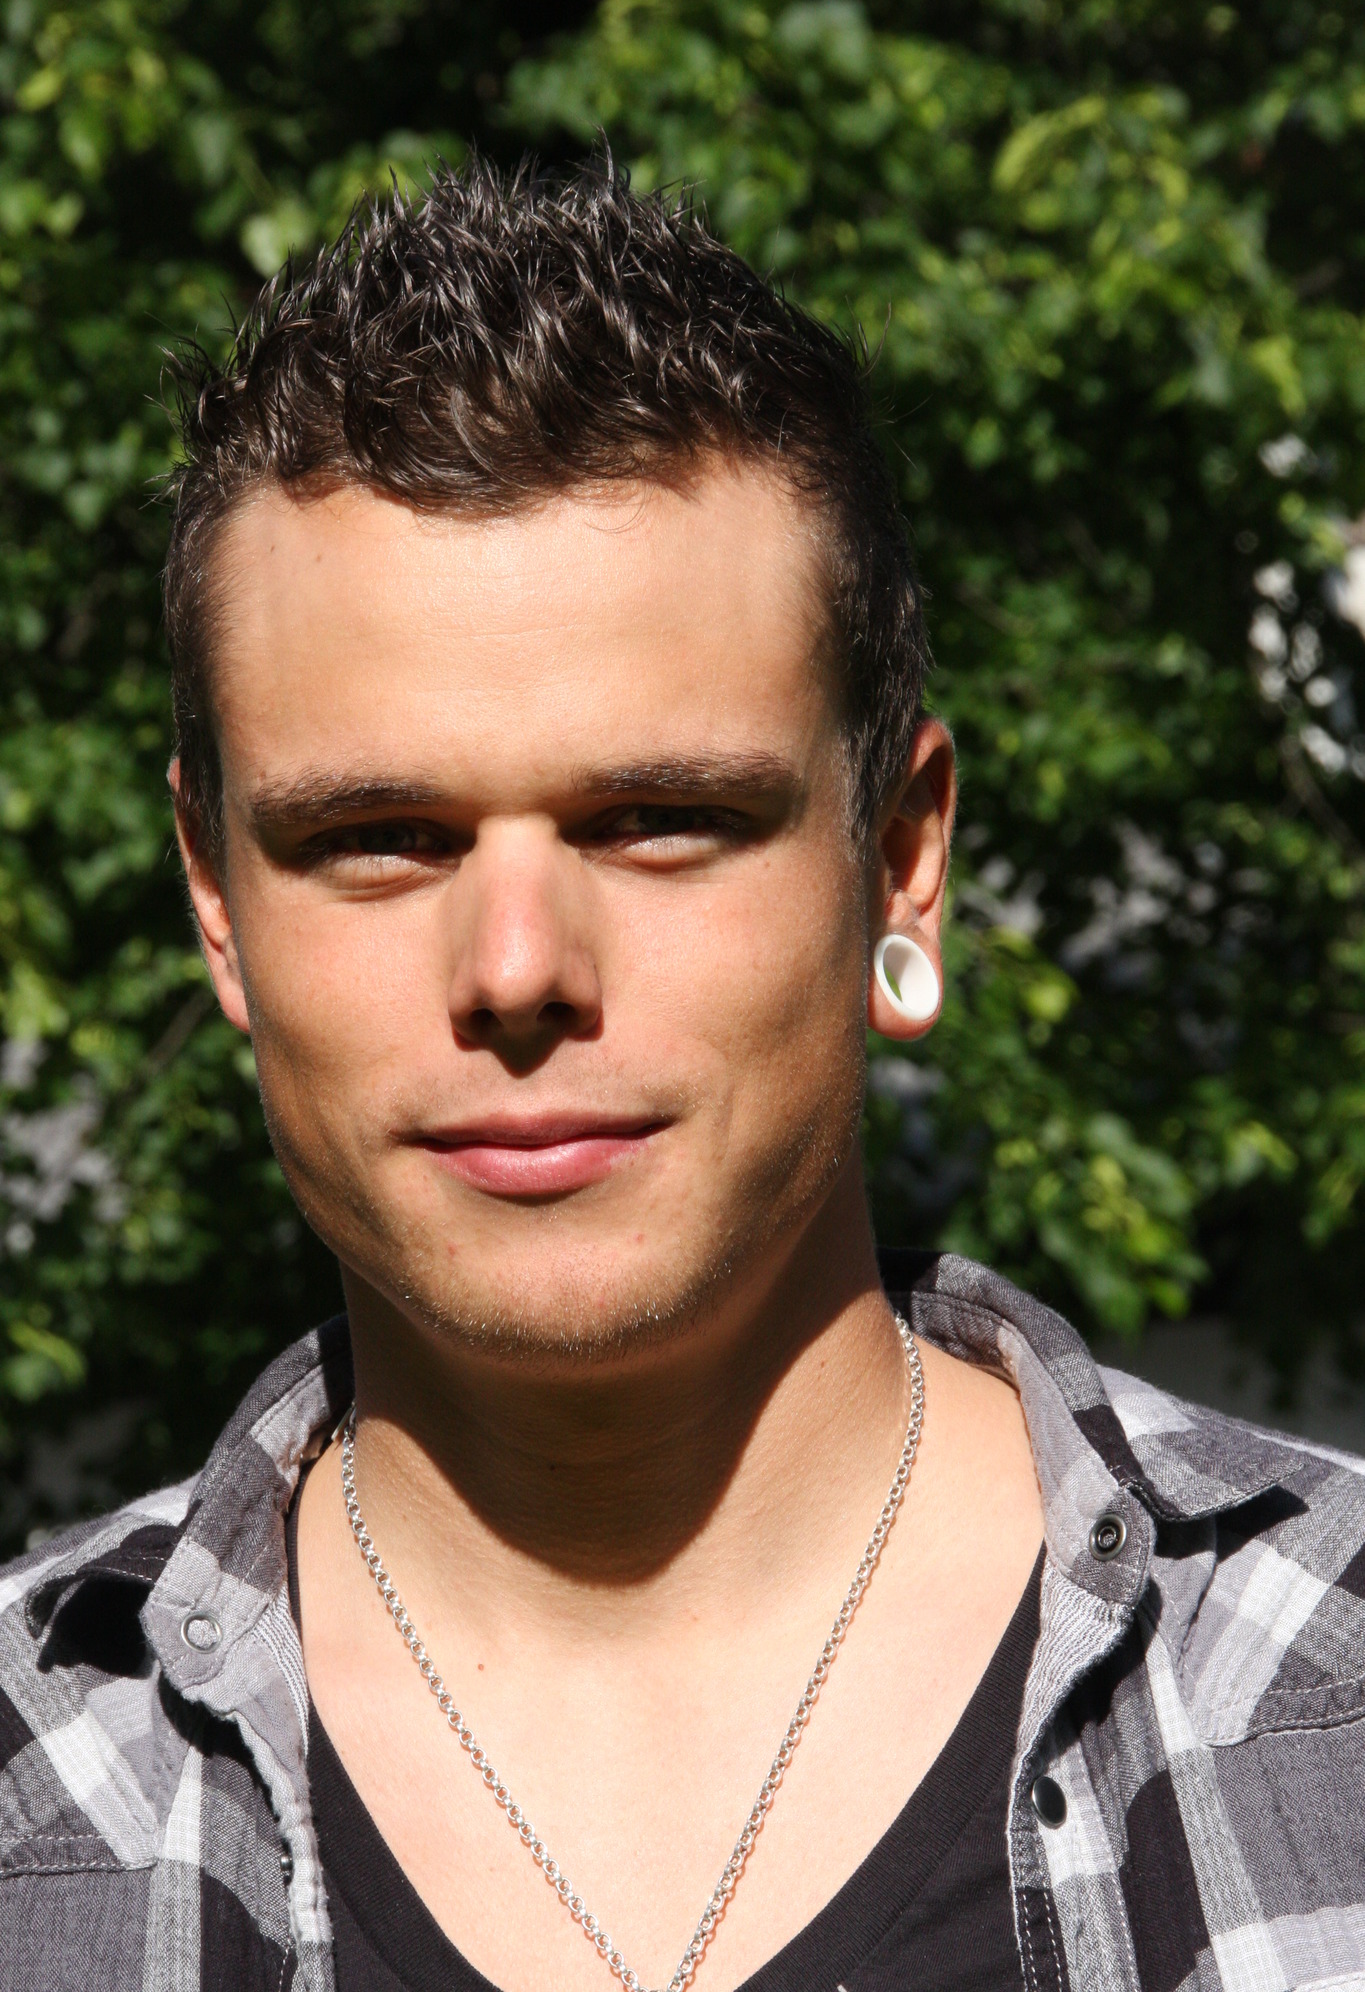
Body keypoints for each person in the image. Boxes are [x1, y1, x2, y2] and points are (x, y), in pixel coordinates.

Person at [3, 160, 1364, 1992]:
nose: (516, 971)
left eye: (660, 820)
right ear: (215, 902)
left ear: (900, 861)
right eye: (378, 838)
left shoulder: (1332, 1702)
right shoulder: (32, 1797)